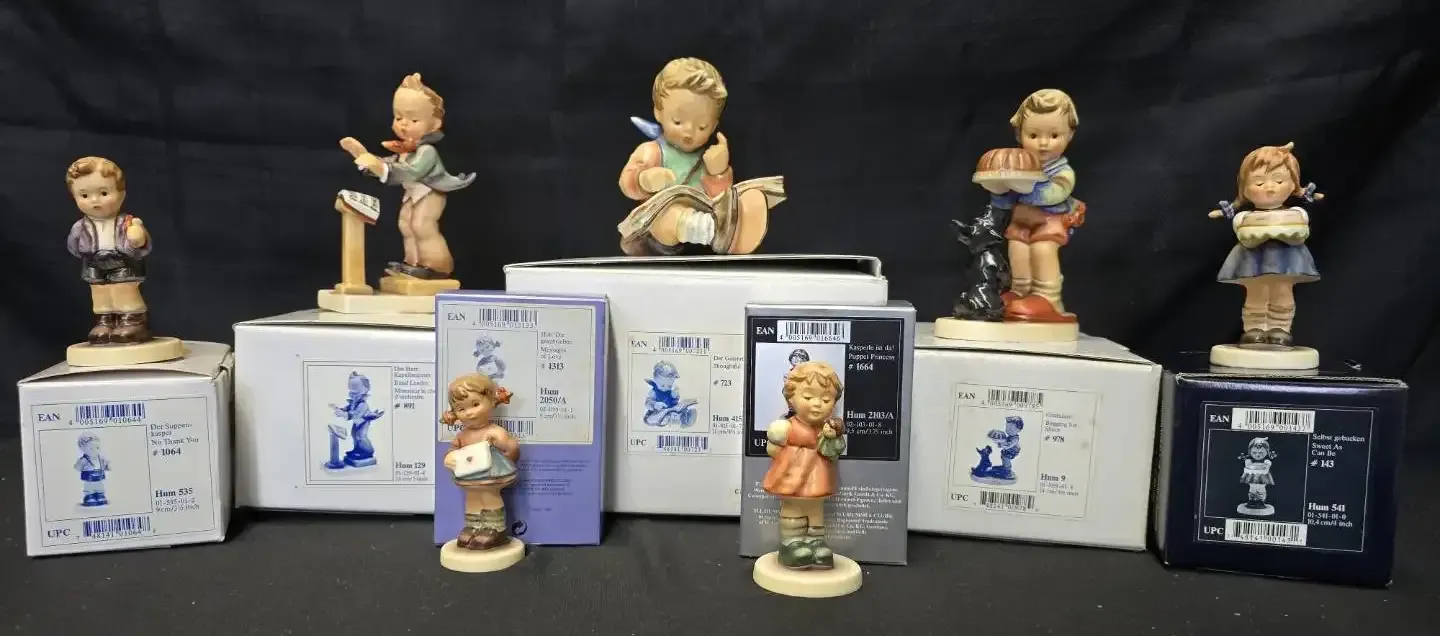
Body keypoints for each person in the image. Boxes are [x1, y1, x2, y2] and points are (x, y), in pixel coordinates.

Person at [617, 58, 784, 255]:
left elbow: (719, 198)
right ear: (658, 112)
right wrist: (644, 179)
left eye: (702, 126)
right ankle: (712, 231)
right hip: (658, 234)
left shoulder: (706, 157)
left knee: (741, 201)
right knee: (668, 215)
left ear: (714, 126)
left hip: (703, 234)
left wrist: (718, 172)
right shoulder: (652, 151)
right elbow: (627, 182)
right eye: (678, 121)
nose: (689, 131)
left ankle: (723, 232)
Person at [342, 73, 474, 280]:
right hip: (413, 193)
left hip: (431, 192)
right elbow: (389, 163)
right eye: (398, 117)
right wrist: (364, 156)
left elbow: (411, 171)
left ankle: (437, 266)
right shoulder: (404, 150)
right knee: (405, 223)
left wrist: (380, 167)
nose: (403, 124)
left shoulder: (427, 151)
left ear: (434, 124)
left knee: (422, 225)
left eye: (413, 119)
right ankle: (412, 262)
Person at [1209, 142, 1321, 346]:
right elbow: (1245, 234)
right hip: (1252, 261)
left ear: (1293, 184)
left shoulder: (1297, 214)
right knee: (1255, 293)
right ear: (1245, 189)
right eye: (1259, 183)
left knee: (1283, 291)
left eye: (1279, 180)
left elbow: (1299, 232)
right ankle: (1254, 328)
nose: (1270, 188)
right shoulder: (1244, 217)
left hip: (1287, 261)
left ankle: (1281, 328)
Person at [989, 89, 1086, 323]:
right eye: (1033, 135)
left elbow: (1054, 194)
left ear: (1070, 135)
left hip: (1049, 222)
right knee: (1017, 249)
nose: (1043, 143)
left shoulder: (1062, 172)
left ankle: (1049, 297)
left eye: (1054, 135)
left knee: (1042, 250)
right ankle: (1020, 291)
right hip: (1022, 221)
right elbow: (1005, 199)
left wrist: (1023, 186)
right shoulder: (1020, 166)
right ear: (1019, 134)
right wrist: (999, 189)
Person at [762, 361, 846, 570]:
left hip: (818, 476)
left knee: (816, 509)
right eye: (808, 397)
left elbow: (835, 451)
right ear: (791, 398)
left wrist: (833, 438)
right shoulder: (788, 426)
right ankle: (792, 543)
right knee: (793, 507)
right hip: (793, 477)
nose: (817, 404)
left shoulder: (828, 429)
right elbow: (773, 448)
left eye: (825, 399)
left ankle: (816, 542)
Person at [65, 157, 153, 344]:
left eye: (104, 193)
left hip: (122, 262)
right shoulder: (80, 227)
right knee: (99, 293)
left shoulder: (127, 222)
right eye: (84, 196)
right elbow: (73, 247)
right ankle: (105, 321)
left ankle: (132, 321)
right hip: (94, 263)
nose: (95, 201)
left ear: (121, 194)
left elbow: (141, 243)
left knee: (124, 290)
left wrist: (137, 238)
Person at [441, 374, 519, 550]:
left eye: (475, 404)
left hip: (491, 474)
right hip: (469, 475)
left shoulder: (494, 431)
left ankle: (495, 528)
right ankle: (473, 525)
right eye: (461, 409)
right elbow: (453, 450)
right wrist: (449, 458)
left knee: (489, 497)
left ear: (491, 401)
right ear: (455, 413)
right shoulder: (462, 435)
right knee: (472, 498)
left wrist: (504, 444)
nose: (469, 412)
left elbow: (512, 451)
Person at [74, 434, 110, 507]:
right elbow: (77, 467)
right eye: (91, 448)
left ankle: (100, 495)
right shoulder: (84, 460)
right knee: (89, 487)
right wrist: (79, 466)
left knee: (100, 486)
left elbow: (105, 463)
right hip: (89, 478)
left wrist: (107, 466)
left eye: (97, 448)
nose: (95, 450)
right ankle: (89, 496)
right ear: (82, 449)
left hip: (99, 476)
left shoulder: (100, 458)